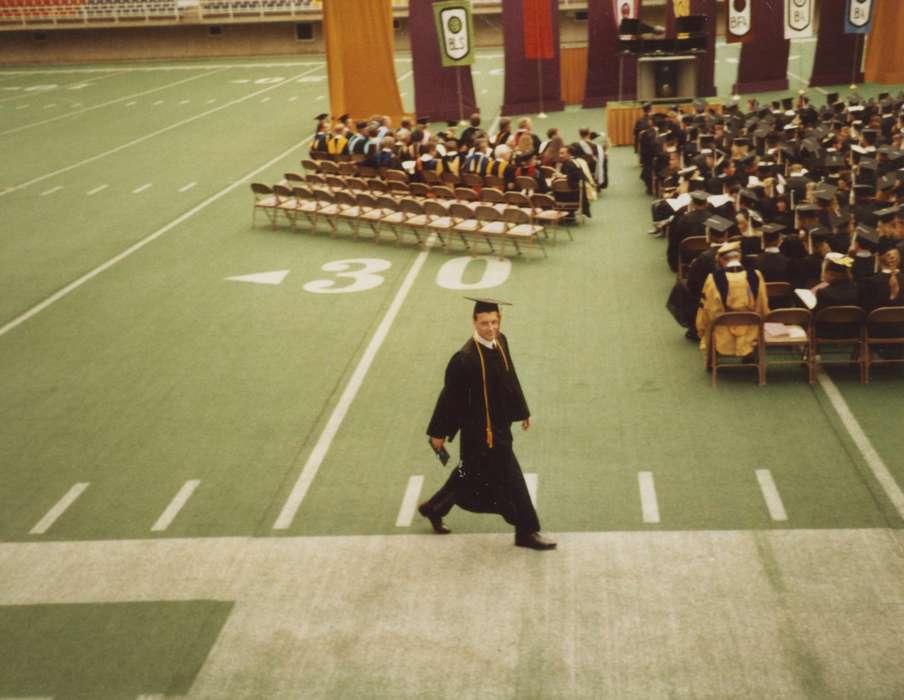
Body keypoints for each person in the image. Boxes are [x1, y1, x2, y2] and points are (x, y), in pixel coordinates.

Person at [420, 298, 556, 551]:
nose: (490, 328)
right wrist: (438, 434)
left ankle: (433, 508)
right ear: (474, 322)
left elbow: (510, 378)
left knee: (464, 474)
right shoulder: (464, 359)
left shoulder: (501, 342)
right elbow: (449, 399)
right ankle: (526, 530)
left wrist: (523, 411)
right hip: (479, 434)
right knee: (513, 478)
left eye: (494, 322)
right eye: (484, 323)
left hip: (500, 426)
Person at [695, 241, 770, 362]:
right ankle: (749, 354)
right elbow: (762, 305)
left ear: (721, 260)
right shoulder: (756, 275)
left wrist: (702, 329)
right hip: (751, 330)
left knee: (708, 319)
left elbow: (708, 310)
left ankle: (712, 359)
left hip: (722, 330)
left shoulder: (713, 278)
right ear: (739, 257)